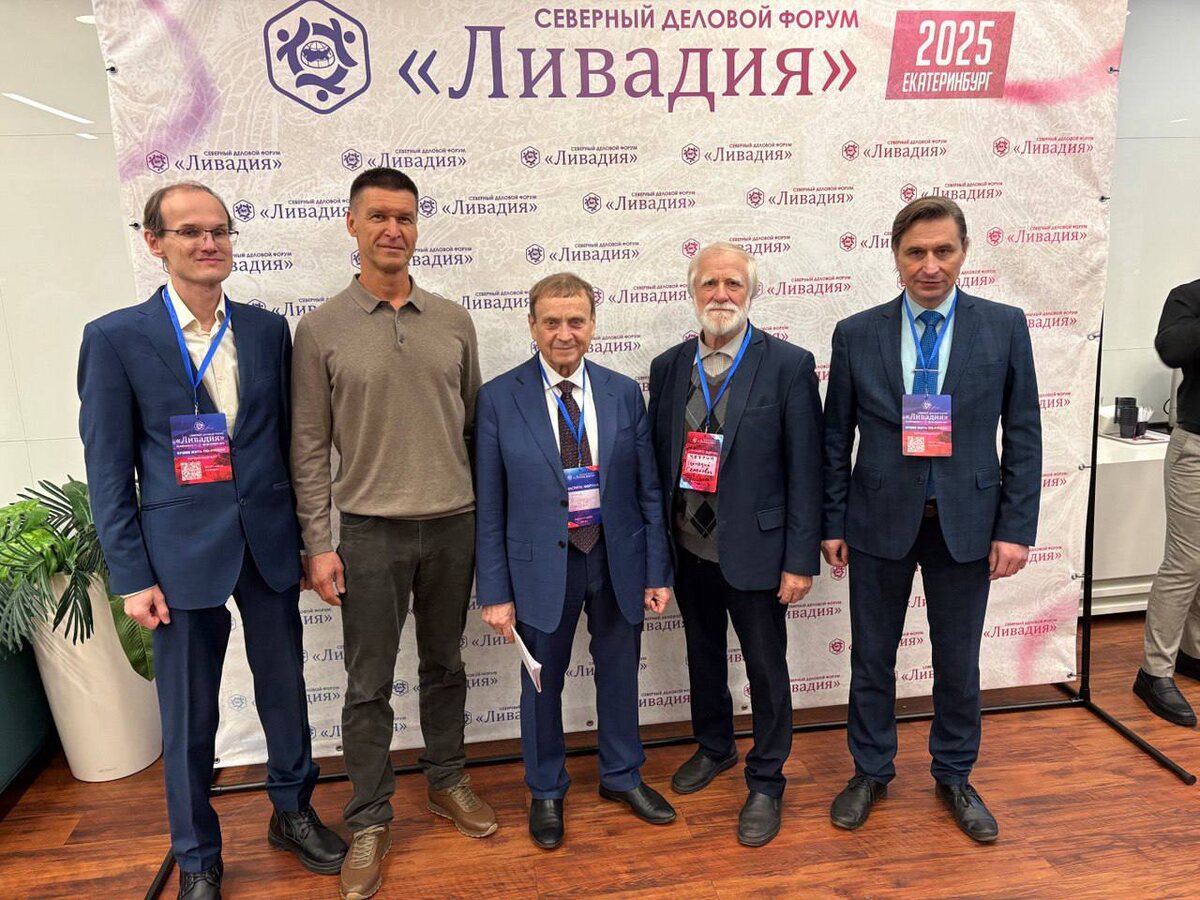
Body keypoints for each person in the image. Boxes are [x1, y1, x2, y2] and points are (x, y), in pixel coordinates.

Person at [78, 181, 346, 899]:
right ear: (154, 242)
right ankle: (197, 855)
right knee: (190, 715)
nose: (209, 243)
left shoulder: (265, 331)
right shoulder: (115, 338)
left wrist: (307, 540)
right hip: (179, 557)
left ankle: (292, 811)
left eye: (220, 230)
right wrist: (132, 576)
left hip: (266, 544)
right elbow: (109, 470)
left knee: (285, 691)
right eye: (190, 231)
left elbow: (288, 444)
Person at [290, 167, 495, 900]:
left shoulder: (454, 321)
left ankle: (446, 780)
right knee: (368, 683)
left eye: (404, 217)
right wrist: (319, 543)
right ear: (352, 224)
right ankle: (371, 818)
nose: (392, 230)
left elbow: (474, 430)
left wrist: (488, 528)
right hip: (369, 533)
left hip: (453, 526)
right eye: (377, 216)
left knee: (445, 665)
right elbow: (308, 447)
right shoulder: (320, 329)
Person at [822, 196, 1042, 843]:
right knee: (871, 658)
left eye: (943, 250)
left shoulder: (1004, 326)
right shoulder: (855, 333)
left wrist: (1015, 528)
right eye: (915, 252)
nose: (930, 265)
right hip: (876, 521)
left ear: (964, 252)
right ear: (895, 256)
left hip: (967, 524)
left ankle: (954, 774)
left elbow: (1023, 432)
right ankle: (870, 771)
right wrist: (831, 521)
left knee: (957, 661)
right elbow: (835, 440)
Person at [474, 272, 676, 849]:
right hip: (539, 567)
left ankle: (622, 775)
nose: (564, 334)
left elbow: (647, 490)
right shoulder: (499, 398)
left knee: (619, 671)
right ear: (532, 325)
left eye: (576, 321)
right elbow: (490, 505)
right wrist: (495, 591)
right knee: (542, 682)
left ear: (593, 325)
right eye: (552, 322)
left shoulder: (622, 393)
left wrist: (657, 571)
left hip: (615, 558)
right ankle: (545, 789)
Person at [647, 242, 823, 847]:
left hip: (759, 554)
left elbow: (807, 471)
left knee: (767, 670)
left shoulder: (789, 365)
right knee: (702, 657)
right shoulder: (668, 367)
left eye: (733, 284)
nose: (721, 295)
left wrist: (799, 560)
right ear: (692, 292)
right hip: (689, 551)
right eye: (709, 284)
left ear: (752, 293)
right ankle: (715, 746)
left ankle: (767, 778)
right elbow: (658, 464)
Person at [1134, 278, 1200, 726]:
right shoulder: (1188, 296)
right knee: (1186, 562)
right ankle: (1154, 672)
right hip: (1196, 449)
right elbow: (1172, 349)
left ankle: (1193, 652)